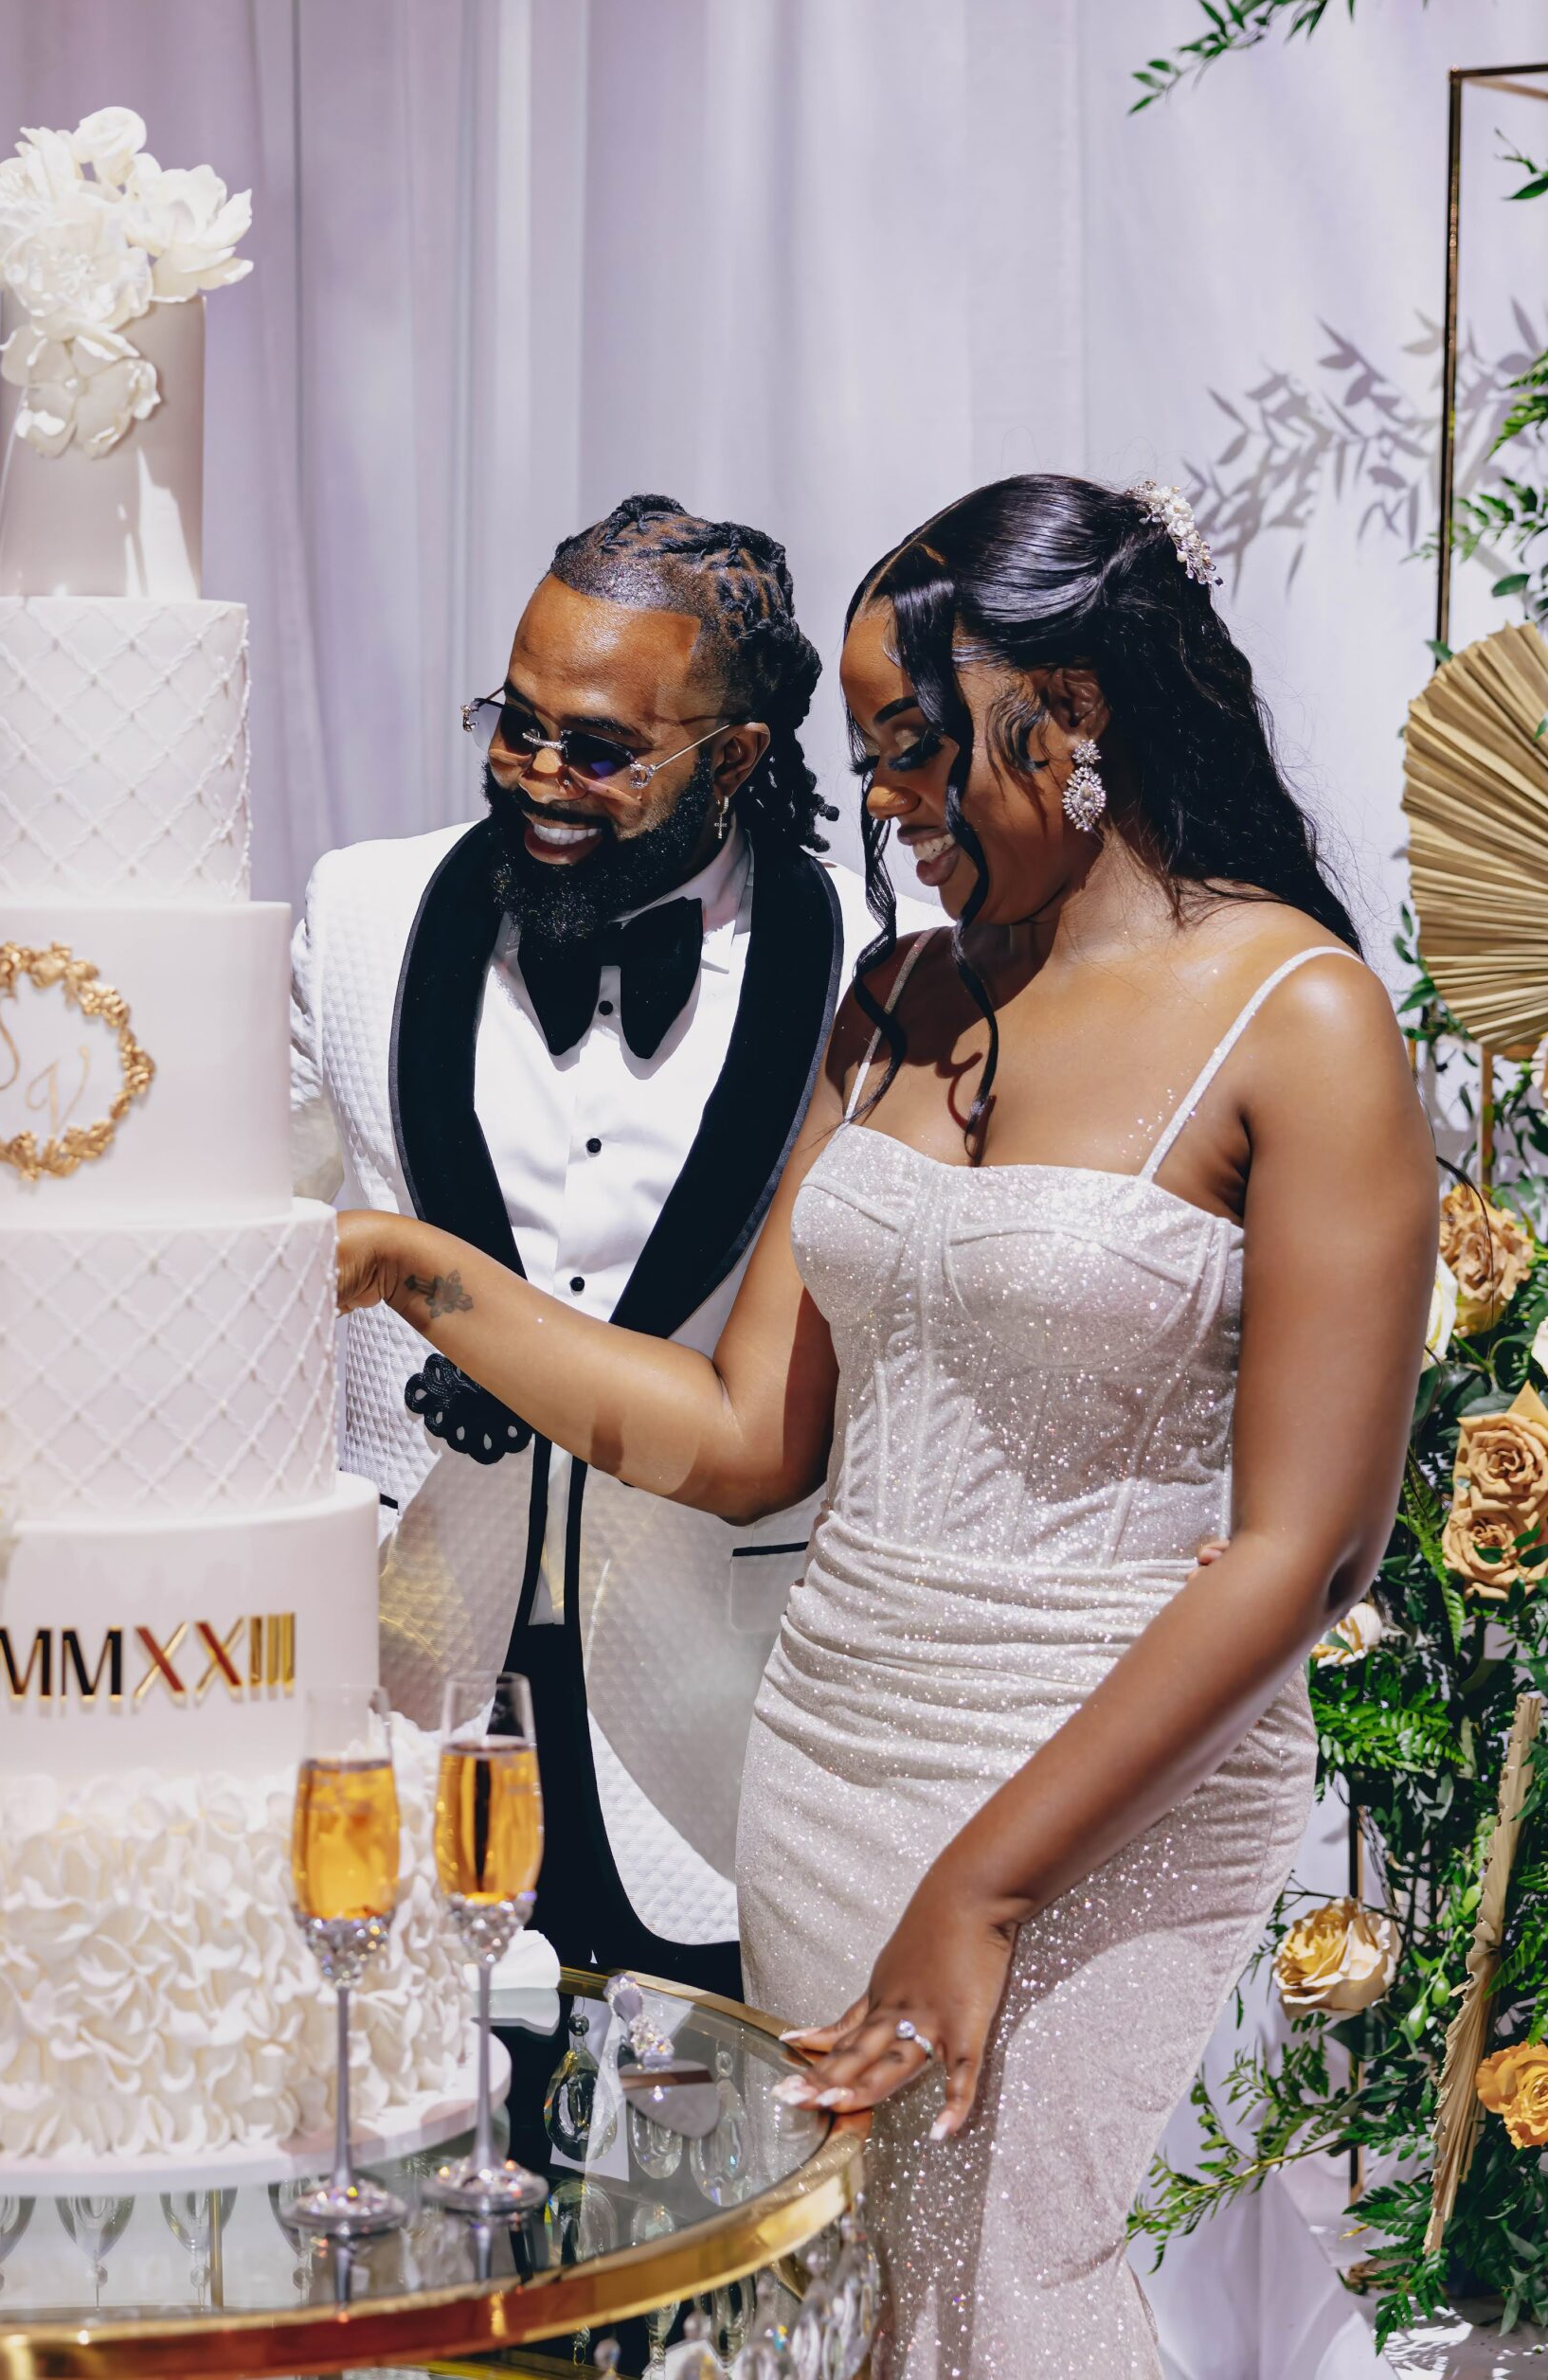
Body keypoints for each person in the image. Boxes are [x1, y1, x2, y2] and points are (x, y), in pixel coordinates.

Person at [333, 474, 1434, 2375]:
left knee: (1029, 2297)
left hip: (1097, 1787)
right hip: (829, 1759)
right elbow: (746, 1429)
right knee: (873, 2313)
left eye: (918, 748)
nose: (885, 805)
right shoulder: (900, 996)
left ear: (1071, 715)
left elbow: (1305, 1547)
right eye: (866, 755)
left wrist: (985, 1885)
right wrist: (412, 1270)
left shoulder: (1300, 1017)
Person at [290, 494, 933, 1995]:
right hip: (409, 1687)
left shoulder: (871, 965)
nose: (536, 777)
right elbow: (245, 1248)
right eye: (514, 726)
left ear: (738, 760)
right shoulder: (363, 912)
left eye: (597, 750)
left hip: (723, 1726)